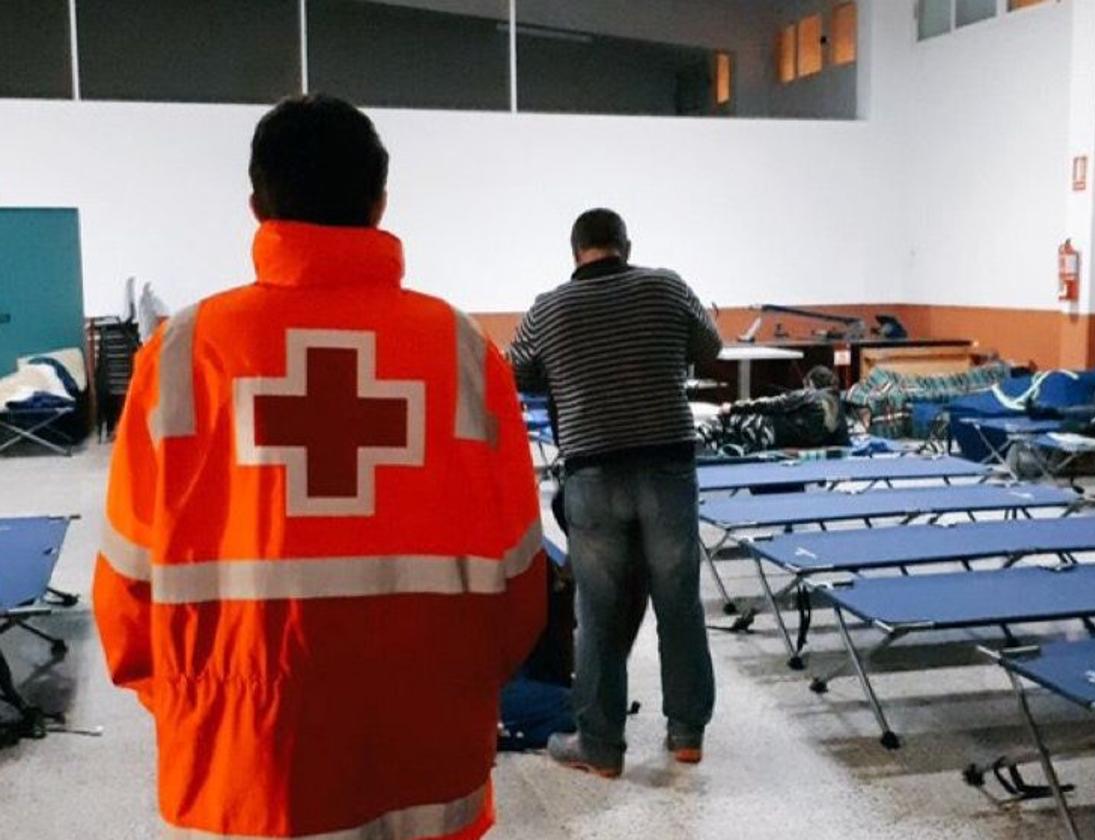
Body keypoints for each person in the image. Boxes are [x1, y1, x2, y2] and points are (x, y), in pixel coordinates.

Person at [93, 95, 546, 840]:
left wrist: (207, 695)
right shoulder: (464, 350)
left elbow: (125, 592)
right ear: (379, 203)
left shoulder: (182, 354)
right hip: (427, 758)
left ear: (256, 207)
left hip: (242, 767)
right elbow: (523, 579)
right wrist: (454, 690)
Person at [508, 208, 721, 777]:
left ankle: (600, 746)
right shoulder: (666, 285)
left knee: (598, 610)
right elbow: (711, 347)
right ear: (626, 245)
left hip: (592, 470)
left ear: (574, 251)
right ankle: (686, 734)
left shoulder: (548, 307)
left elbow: (515, 371)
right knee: (678, 599)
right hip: (668, 465)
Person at [698, 365, 850, 455]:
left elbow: (771, 404)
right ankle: (720, 447)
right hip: (772, 442)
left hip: (765, 428)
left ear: (811, 383)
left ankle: (697, 439)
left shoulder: (809, 395)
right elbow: (845, 446)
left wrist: (732, 407)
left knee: (722, 422)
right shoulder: (840, 411)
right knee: (731, 436)